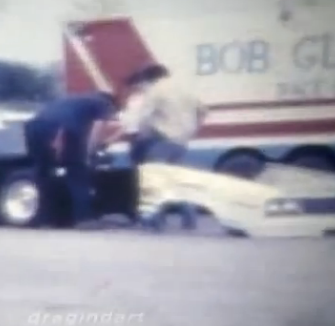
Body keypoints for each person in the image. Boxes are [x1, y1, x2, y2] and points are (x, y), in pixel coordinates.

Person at [106, 63, 207, 230]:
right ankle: (189, 217)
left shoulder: (155, 91)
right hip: (181, 142)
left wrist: (143, 136)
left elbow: (144, 118)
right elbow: (203, 111)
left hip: (161, 140)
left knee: (154, 179)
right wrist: (193, 129)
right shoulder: (184, 89)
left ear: (149, 79)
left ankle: (154, 221)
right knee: (175, 179)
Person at [24, 91, 119, 228]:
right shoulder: (102, 103)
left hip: (33, 128)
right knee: (77, 173)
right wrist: (90, 151)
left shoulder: (71, 100)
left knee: (44, 174)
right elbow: (96, 129)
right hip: (63, 129)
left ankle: (44, 219)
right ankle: (84, 219)